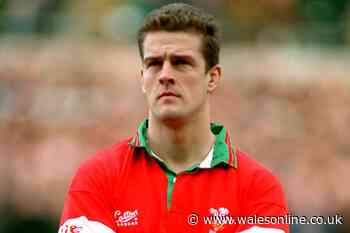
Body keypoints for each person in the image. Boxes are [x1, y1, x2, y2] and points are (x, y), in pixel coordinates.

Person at [58, 3, 289, 233]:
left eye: (181, 63)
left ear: (212, 77)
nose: (165, 75)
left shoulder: (257, 188)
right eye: (154, 64)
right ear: (142, 78)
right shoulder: (97, 178)